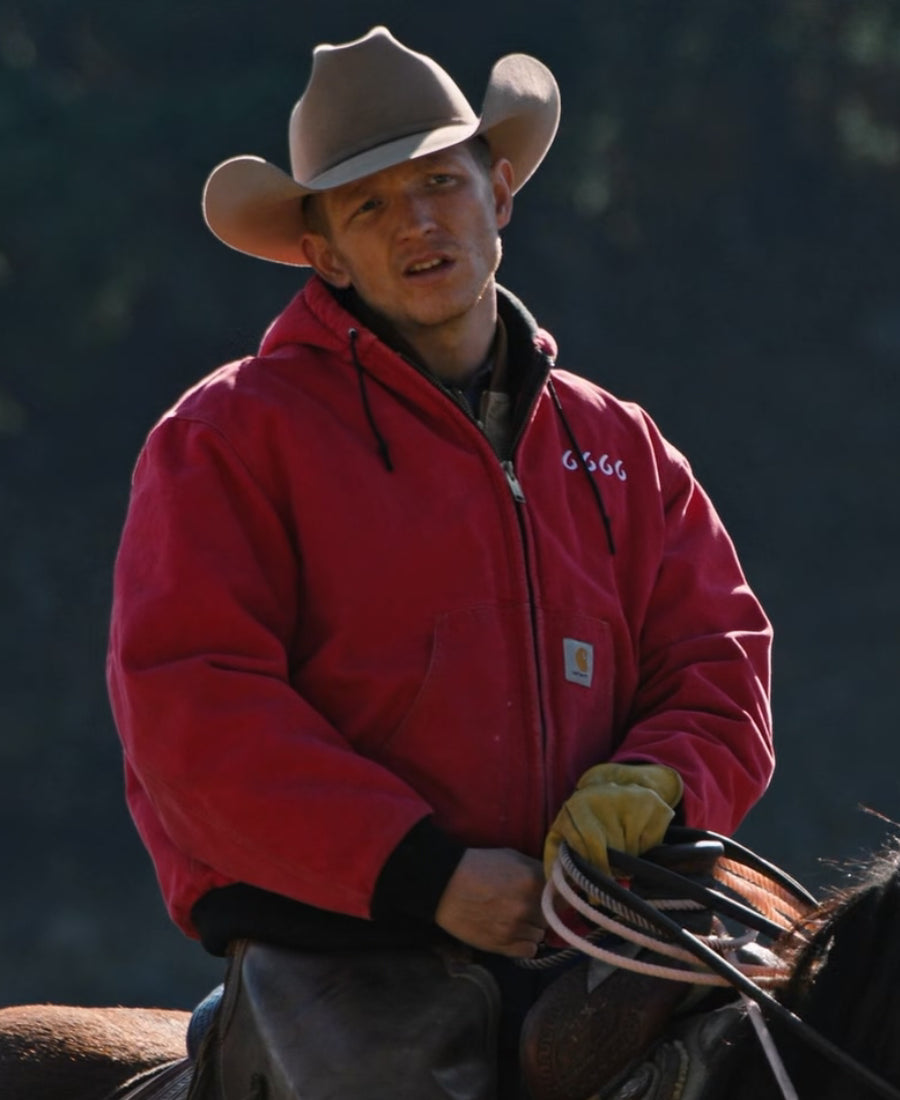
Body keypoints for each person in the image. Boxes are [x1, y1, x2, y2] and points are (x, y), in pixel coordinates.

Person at [107, 25, 774, 1100]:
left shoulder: (621, 442)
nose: (417, 221)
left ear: (498, 194)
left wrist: (660, 781)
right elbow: (193, 707)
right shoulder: (224, 437)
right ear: (326, 254)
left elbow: (718, 658)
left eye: (439, 182)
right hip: (345, 939)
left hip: (611, 915)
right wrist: (427, 874)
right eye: (368, 206)